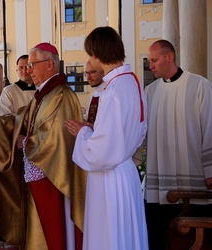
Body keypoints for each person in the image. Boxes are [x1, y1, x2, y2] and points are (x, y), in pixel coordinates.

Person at [0, 42, 87, 250]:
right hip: (39, 175)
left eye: (33, 64)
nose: (29, 70)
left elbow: (57, 136)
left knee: (54, 230)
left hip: (54, 178)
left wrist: (26, 142)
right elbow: (19, 121)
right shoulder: (42, 95)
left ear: (50, 64)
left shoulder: (62, 95)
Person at [64, 26, 148, 250]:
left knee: (110, 239)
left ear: (97, 53)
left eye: (90, 53)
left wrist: (82, 133)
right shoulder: (132, 82)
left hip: (110, 179)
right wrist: (94, 129)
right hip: (125, 171)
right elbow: (135, 130)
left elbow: (101, 152)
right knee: (125, 237)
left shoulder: (113, 90)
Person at [144, 39, 212, 249]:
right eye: (149, 61)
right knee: (157, 235)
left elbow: (210, 127)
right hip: (159, 184)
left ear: (169, 57)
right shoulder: (150, 92)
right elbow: (141, 134)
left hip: (194, 181)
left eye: (154, 60)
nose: (151, 65)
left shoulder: (199, 85)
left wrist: (210, 170)